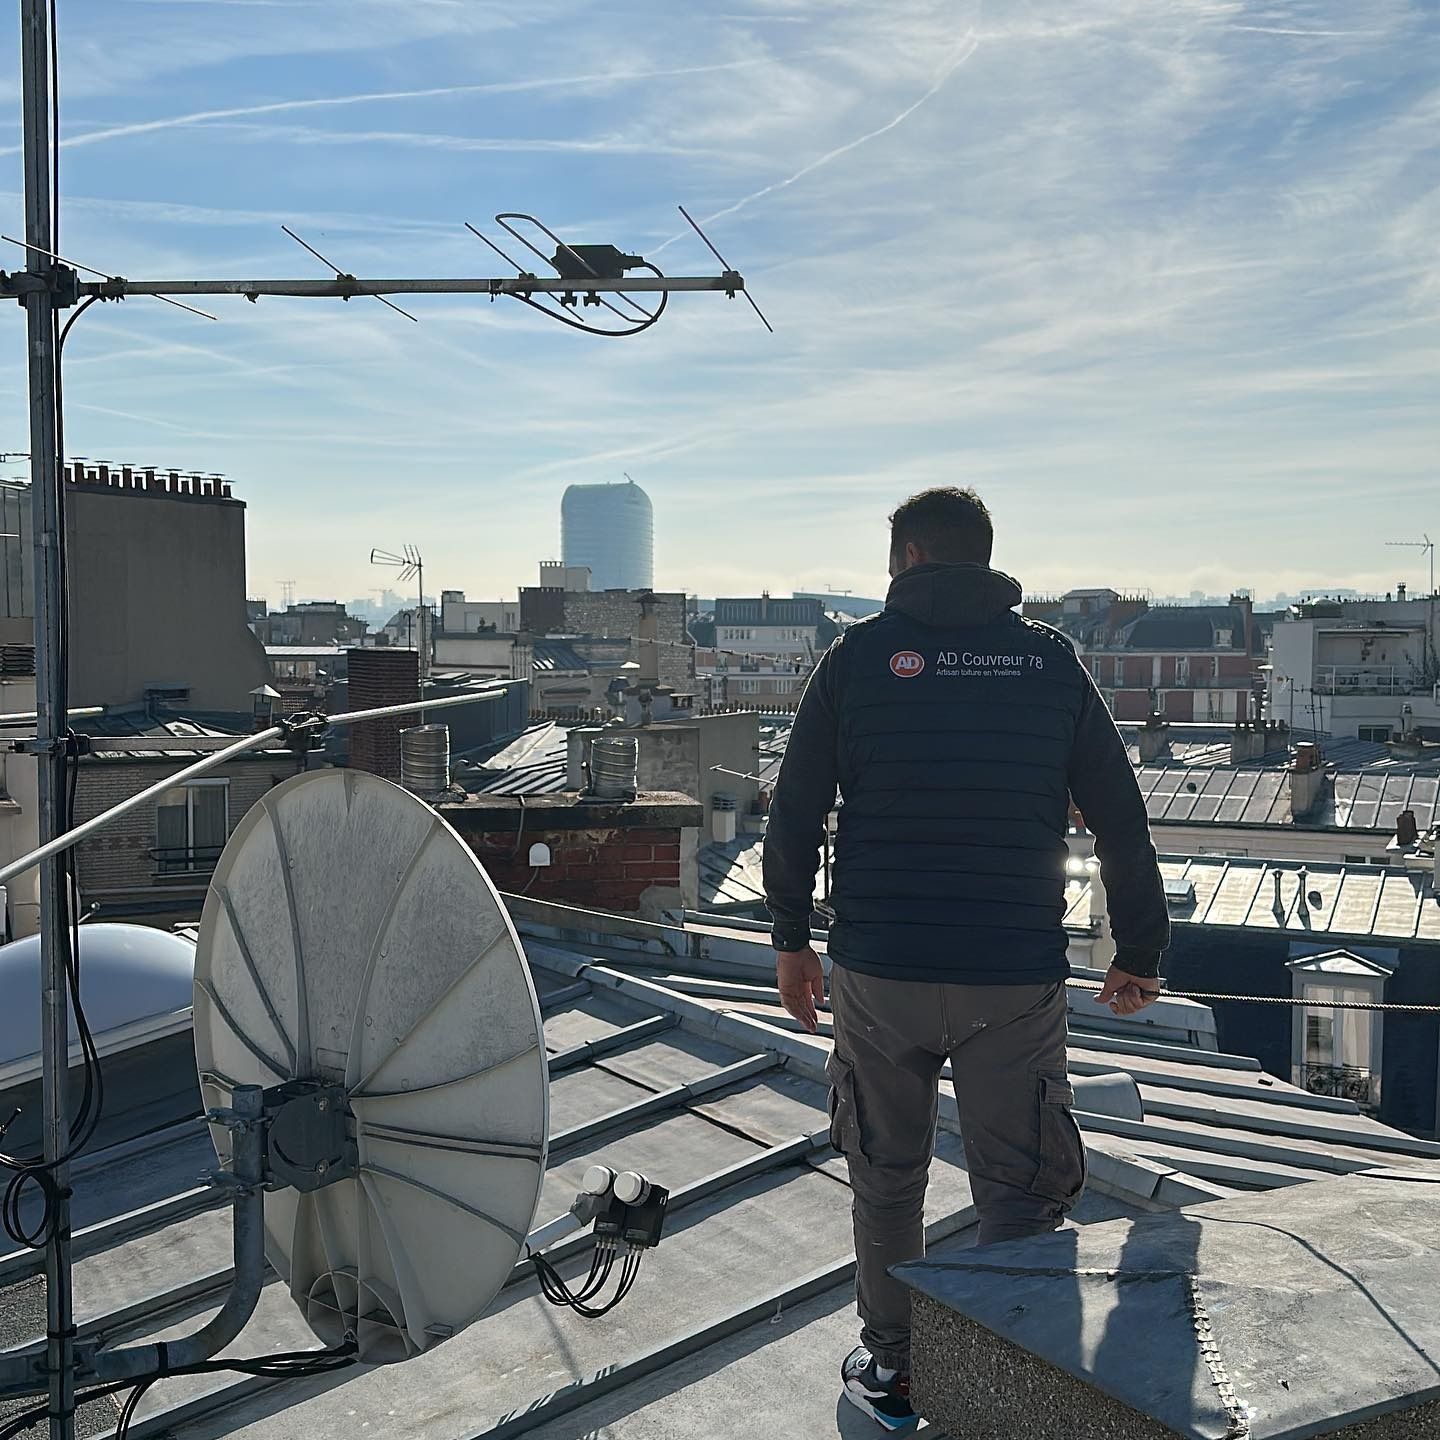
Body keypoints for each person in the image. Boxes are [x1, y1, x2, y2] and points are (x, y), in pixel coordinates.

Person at [763, 487, 1169, 1433]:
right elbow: (1121, 820)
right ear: (985, 562)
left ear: (905, 558)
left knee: (886, 1174)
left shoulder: (856, 660)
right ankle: (1015, 1377)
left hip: (882, 969)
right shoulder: (1051, 663)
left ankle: (896, 1369)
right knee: (1020, 1192)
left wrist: (790, 942)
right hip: (1010, 975)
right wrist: (1138, 950)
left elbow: (792, 813)